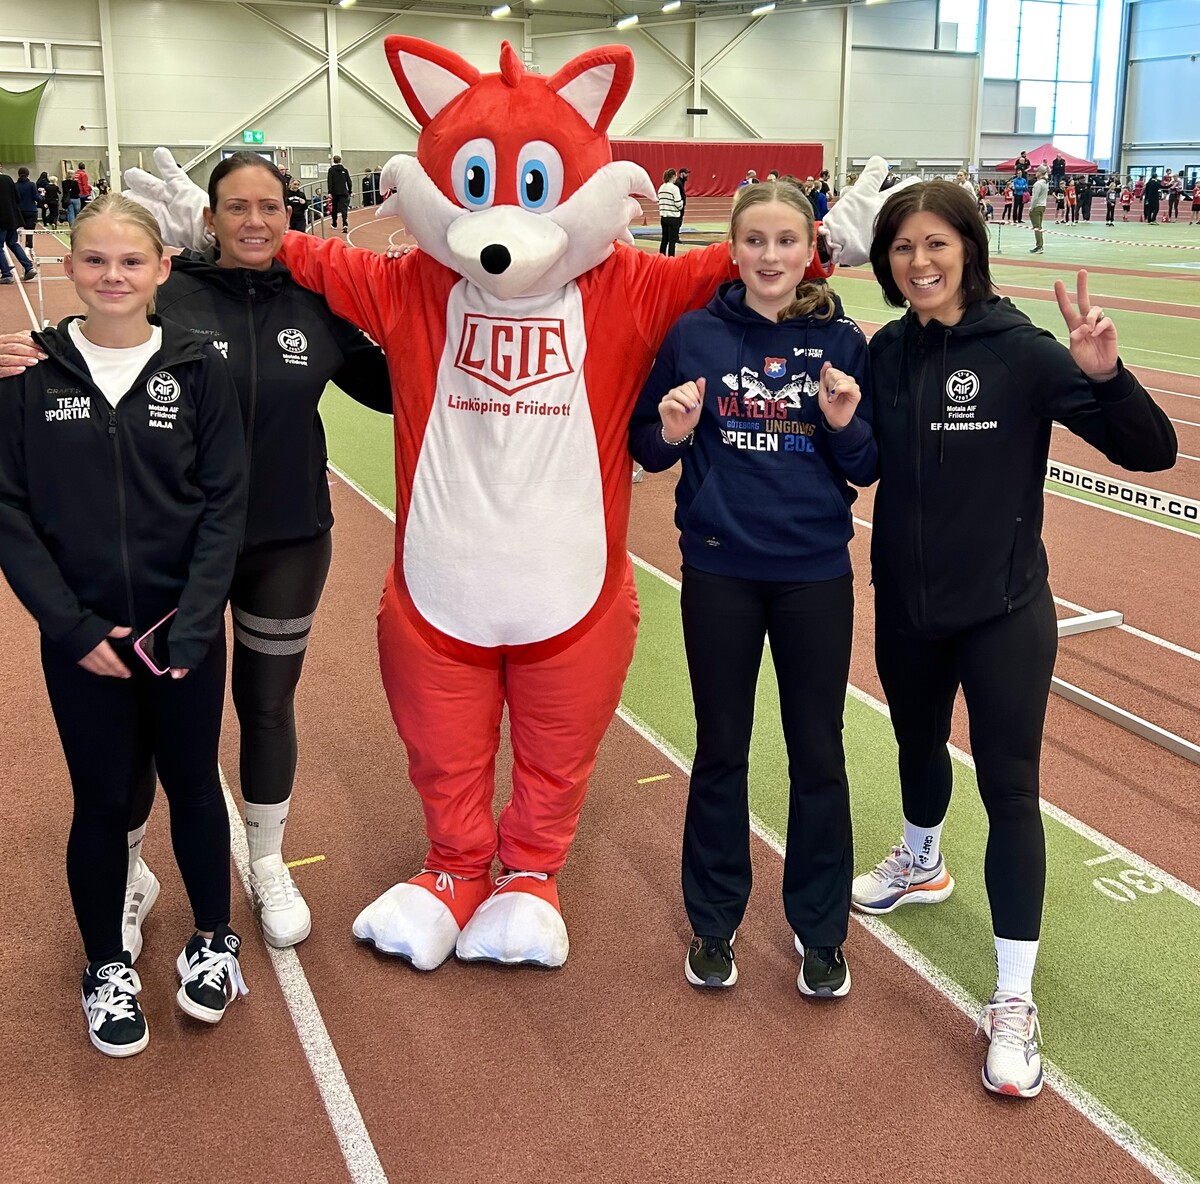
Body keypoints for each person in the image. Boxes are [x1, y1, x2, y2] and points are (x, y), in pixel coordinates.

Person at [0, 153, 392, 954]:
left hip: (285, 540)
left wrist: (446, 305)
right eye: (235, 206)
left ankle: (268, 861)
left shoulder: (317, 304)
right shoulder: (169, 293)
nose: (254, 221)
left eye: (270, 207)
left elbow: (394, 387)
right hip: (177, 551)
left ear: (291, 216)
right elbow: (93, 342)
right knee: (146, 719)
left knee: (267, 704)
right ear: (206, 219)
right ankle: (130, 871)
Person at [859, 181, 1176, 1098]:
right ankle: (922, 861)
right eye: (903, 247)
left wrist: (1107, 376)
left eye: (936, 243)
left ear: (970, 248)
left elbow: (1152, 451)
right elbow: (862, 459)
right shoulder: (886, 352)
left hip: (1003, 613)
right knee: (916, 748)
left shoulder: (1023, 352)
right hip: (908, 606)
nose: (920, 262)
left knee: (1009, 790)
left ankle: (1012, 999)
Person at [0, 193, 250, 1057]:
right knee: (103, 799)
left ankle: (214, 940)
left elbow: (224, 502)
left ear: (162, 269)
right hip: (83, 642)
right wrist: (69, 628)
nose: (113, 275)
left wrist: (198, 620)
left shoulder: (197, 369)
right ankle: (106, 964)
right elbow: (8, 510)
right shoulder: (28, 373)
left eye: (131, 261)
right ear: (68, 267)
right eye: (96, 260)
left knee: (194, 785)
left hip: (184, 633)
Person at [629, 179, 875, 997]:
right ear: (731, 250)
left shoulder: (843, 340)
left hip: (814, 575)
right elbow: (646, 445)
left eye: (786, 241)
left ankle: (821, 932)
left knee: (819, 753)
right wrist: (670, 433)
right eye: (755, 240)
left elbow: (868, 463)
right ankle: (713, 922)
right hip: (720, 571)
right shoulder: (694, 333)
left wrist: (842, 424)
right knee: (721, 748)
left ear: (810, 251)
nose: (771, 256)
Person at [0, 170, 39, 284]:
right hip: (12, 217)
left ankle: (6, 274)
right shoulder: (8, 179)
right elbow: (17, 197)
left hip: (1, 219)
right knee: (13, 243)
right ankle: (29, 267)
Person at [657, 167, 683, 257]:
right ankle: (671, 260)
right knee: (672, 241)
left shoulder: (661, 188)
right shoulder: (674, 188)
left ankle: (660, 259)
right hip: (673, 217)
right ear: (673, 177)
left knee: (664, 240)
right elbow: (678, 204)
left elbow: (659, 201)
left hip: (664, 217)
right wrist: (681, 203)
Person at [15, 166, 39, 252]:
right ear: (28, 174)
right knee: (30, 232)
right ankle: (29, 248)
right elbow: (36, 197)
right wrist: (42, 198)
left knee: (16, 230)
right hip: (31, 210)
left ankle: (17, 246)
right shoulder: (32, 185)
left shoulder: (15, 185)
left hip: (18, 211)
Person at [327, 155, 352, 231]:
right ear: (340, 160)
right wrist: (350, 191)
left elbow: (330, 181)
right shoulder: (345, 170)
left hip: (335, 192)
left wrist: (330, 192)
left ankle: (334, 223)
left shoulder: (331, 170)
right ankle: (345, 224)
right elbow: (349, 181)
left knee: (335, 208)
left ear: (333, 161)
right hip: (343, 191)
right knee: (344, 208)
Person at [1028, 167, 1049, 253]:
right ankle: (1040, 245)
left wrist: (1031, 208)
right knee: (1039, 226)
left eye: (1037, 171)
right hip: (1042, 205)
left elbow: (1035, 198)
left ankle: (1039, 246)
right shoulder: (1045, 183)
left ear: (1040, 173)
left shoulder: (1038, 184)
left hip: (1037, 206)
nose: (1036, 173)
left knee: (1037, 227)